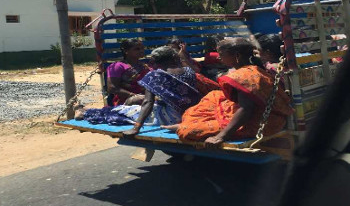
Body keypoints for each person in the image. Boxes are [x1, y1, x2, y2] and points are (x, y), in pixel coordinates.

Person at [162, 38, 293, 147]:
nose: (218, 57)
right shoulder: (254, 69)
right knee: (214, 96)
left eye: (222, 54)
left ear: (237, 56)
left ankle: (187, 125)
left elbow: (246, 109)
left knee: (187, 132)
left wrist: (221, 136)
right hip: (265, 115)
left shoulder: (243, 75)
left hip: (259, 122)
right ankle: (188, 122)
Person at [106, 39, 151, 106]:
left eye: (142, 48)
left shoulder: (145, 66)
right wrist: (133, 96)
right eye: (137, 49)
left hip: (147, 100)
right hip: (127, 102)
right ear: (126, 51)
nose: (141, 51)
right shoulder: (118, 66)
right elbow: (112, 88)